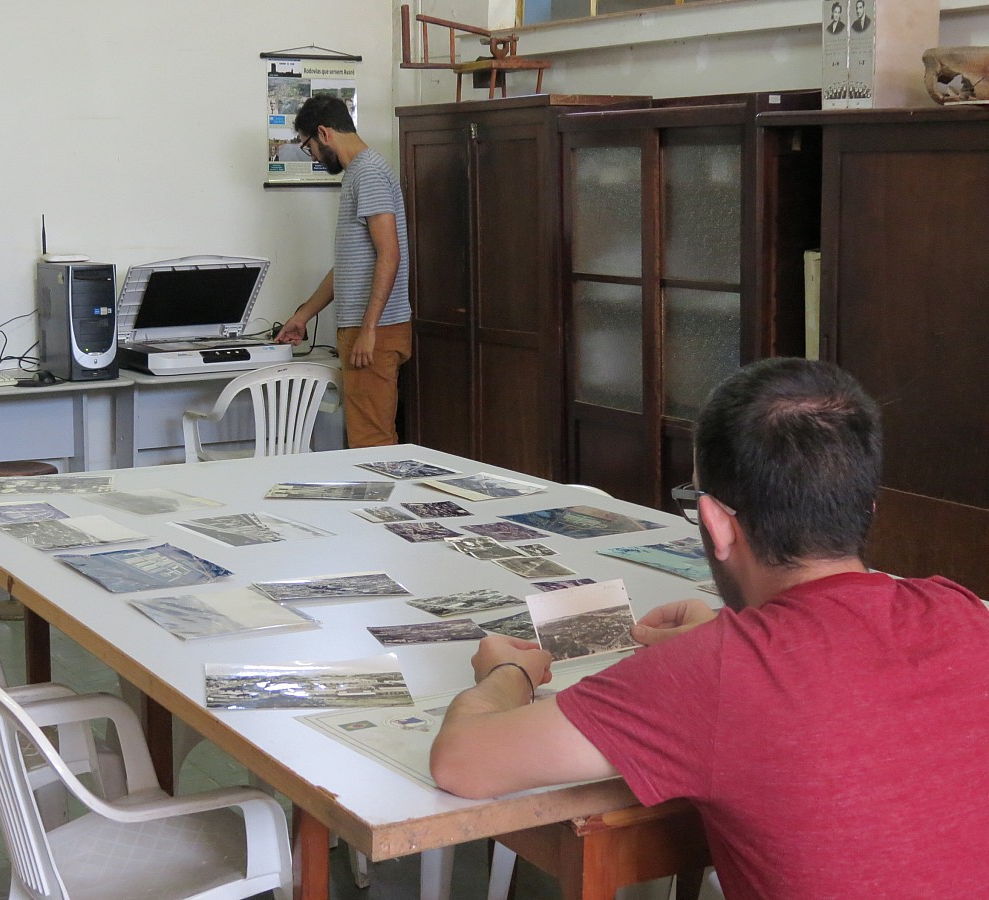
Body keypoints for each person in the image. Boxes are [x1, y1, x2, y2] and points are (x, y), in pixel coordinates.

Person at [430, 358, 989, 899]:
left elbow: (462, 762)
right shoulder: (964, 613)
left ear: (717, 524)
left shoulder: (716, 673)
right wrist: (727, 631)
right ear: (867, 505)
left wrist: (507, 673)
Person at [275, 95, 411, 448]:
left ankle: (381, 505)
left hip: (374, 331)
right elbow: (351, 267)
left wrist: (369, 330)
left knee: (372, 442)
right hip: (365, 328)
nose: (314, 157)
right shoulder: (360, 174)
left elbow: (389, 254)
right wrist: (303, 315)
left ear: (324, 133)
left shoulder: (368, 173)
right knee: (366, 437)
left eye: (309, 147)